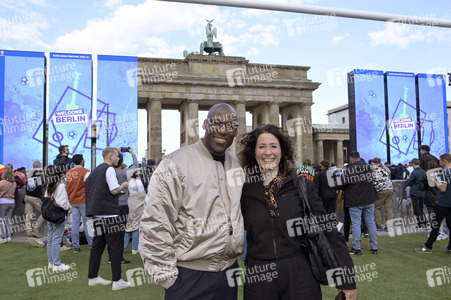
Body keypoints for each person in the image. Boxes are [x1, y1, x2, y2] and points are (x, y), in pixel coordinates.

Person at [140, 103, 244, 300]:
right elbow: (155, 223)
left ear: (236, 131)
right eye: (216, 123)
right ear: (205, 124)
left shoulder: (236, 166)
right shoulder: (175, 164)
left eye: (230, 125)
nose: (222, 130)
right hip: (189, 275)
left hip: (229, 272)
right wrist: (168, 279)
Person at [239, 124, 356, 300]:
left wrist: (346, 280)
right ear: (253, 152)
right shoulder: (244, 190)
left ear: (282, 151)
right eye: (261, 147)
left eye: (273, 146)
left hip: (300, 274)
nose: (268, 152)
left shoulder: (302, 185)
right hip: (259, 276)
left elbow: (329, 230)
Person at [86, 147, 131, 290]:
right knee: (115, 247)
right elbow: (113, 190)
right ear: (111, 156)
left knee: (97, 246)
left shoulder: (94, 171)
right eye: (117, 156)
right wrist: (123, 185)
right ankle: (117, 281)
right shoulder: (109, 169)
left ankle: (93, 277)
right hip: (110, 215)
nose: (119, 158)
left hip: (97, 214)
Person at [339, 151, 378, 255]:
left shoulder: (349, 170)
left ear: (351, 159)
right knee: (371, 222)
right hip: (369, 199)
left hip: (355, 199)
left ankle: (357, 248)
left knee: (356, 223)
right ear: (359, 158)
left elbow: (340, 183)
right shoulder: (368, 167)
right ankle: (374, 247)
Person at [414, 154, 451, 254]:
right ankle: (450, 247)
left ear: (444, 161)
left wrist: (434, 180)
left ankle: (428, 246)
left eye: (440, 161)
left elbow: (443, 188)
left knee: (435, 225)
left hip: (443, 203)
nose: (439, 162)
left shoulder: (445, 173)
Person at [44, 164, 71, 271]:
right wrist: (69, 207)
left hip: (49, 215)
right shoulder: (60, 185)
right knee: (55, 239)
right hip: (57, 215)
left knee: (51, 238)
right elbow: (62, 202)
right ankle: (56, 263)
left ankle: (51, 262)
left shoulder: (49, 185)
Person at [113, 147, 138, 263]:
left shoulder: (110, 172)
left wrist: (115, 151)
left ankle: (115, 252)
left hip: (113, 203)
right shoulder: (125, 173)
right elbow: (136, 165)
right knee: (122, 228)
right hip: (123, 203)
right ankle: (120, 251)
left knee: (114, 230)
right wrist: (132, 154)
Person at [67, 154, 93, 252]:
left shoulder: (69, 172)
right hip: (83, 201)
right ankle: (91, 246)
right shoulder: (85, 171)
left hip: (73, 201)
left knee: (75, 224)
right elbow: (91, 185)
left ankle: (76, 246)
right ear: (82, 161)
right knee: (88, 223)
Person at [124, 169, 146, 254]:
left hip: (131, 202)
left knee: (129, 225)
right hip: (138, 204)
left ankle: (123, 247)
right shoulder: (138, 182)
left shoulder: (130, 182)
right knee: (137, 225)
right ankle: (134, 248)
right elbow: (142, 194)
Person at [371, 157, 394, 231]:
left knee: (376, 207)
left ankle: (379, 225)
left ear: (373, 162)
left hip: (380, 189)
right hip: (390, 188)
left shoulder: (373, 168)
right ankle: (389, 226)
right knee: (388, 208)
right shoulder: (385, 168)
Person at [24, 161, 46, 238]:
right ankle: (36, 229)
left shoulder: (28, 173)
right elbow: (43, 184)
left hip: (27, 196)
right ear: (40, 165)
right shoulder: (41, 173)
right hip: (36, 197)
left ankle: (28, 232)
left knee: (28, 215)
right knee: (44, 212)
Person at [406, 158, 428, 229]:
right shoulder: (424, 172)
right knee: (421, 208)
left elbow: (409, 183)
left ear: (413, 164)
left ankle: (420, 223)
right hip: (423, 192)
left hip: (415, 192)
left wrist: (408, 179)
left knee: (417, 209)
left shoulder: (414, 173)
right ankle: (425, 222)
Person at [0, 166, 17, 243]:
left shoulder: (2, 182)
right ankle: (8, 236)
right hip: (11, 202)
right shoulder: (14, 183)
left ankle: (3, 237)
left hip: (3, 202)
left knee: (1, 220)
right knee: (8, 219)